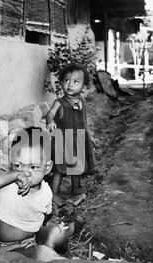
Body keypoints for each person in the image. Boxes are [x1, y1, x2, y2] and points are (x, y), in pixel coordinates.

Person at [0, 127, 54, 243]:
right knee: (43, 252)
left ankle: (68, 230)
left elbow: (45, 215)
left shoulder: (46, 192)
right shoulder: (9, 183)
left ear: (47, 167)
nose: (24, 172)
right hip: (9, 245)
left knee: (57, 236)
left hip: (32, 239)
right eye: (18, 166)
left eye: (33, 167)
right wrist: (14, 175)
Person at [45, 64, 95, 207]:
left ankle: (75, 189)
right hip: (62, 139)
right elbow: (50, 114)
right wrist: (50, 122)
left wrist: (89, 136)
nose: (69, 85)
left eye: (75, 82)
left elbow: (84, 121)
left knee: (77, 167)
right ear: (61, 83)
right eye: (66, 80)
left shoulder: (82, 103)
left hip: (79, 139)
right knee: (59, 169)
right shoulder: (59, 103)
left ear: (84, 87)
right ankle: (53, 193)